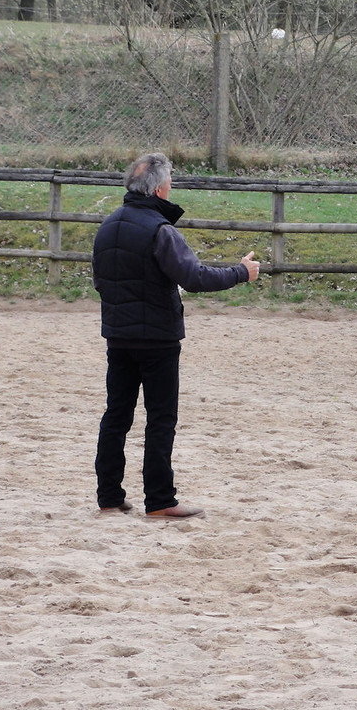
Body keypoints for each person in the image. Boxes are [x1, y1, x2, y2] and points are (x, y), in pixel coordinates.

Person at [93, 153, 260, 519]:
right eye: (170, 182)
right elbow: (195, 277)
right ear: (158, 188)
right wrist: (241, 273)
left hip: (118, 337)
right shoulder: (160, 230)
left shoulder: (107, 227)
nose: (172, 188)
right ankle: (160, 500)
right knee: (160, 418)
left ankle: (108, 495)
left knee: (116, 416)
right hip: (157, 339)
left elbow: (100, 282)